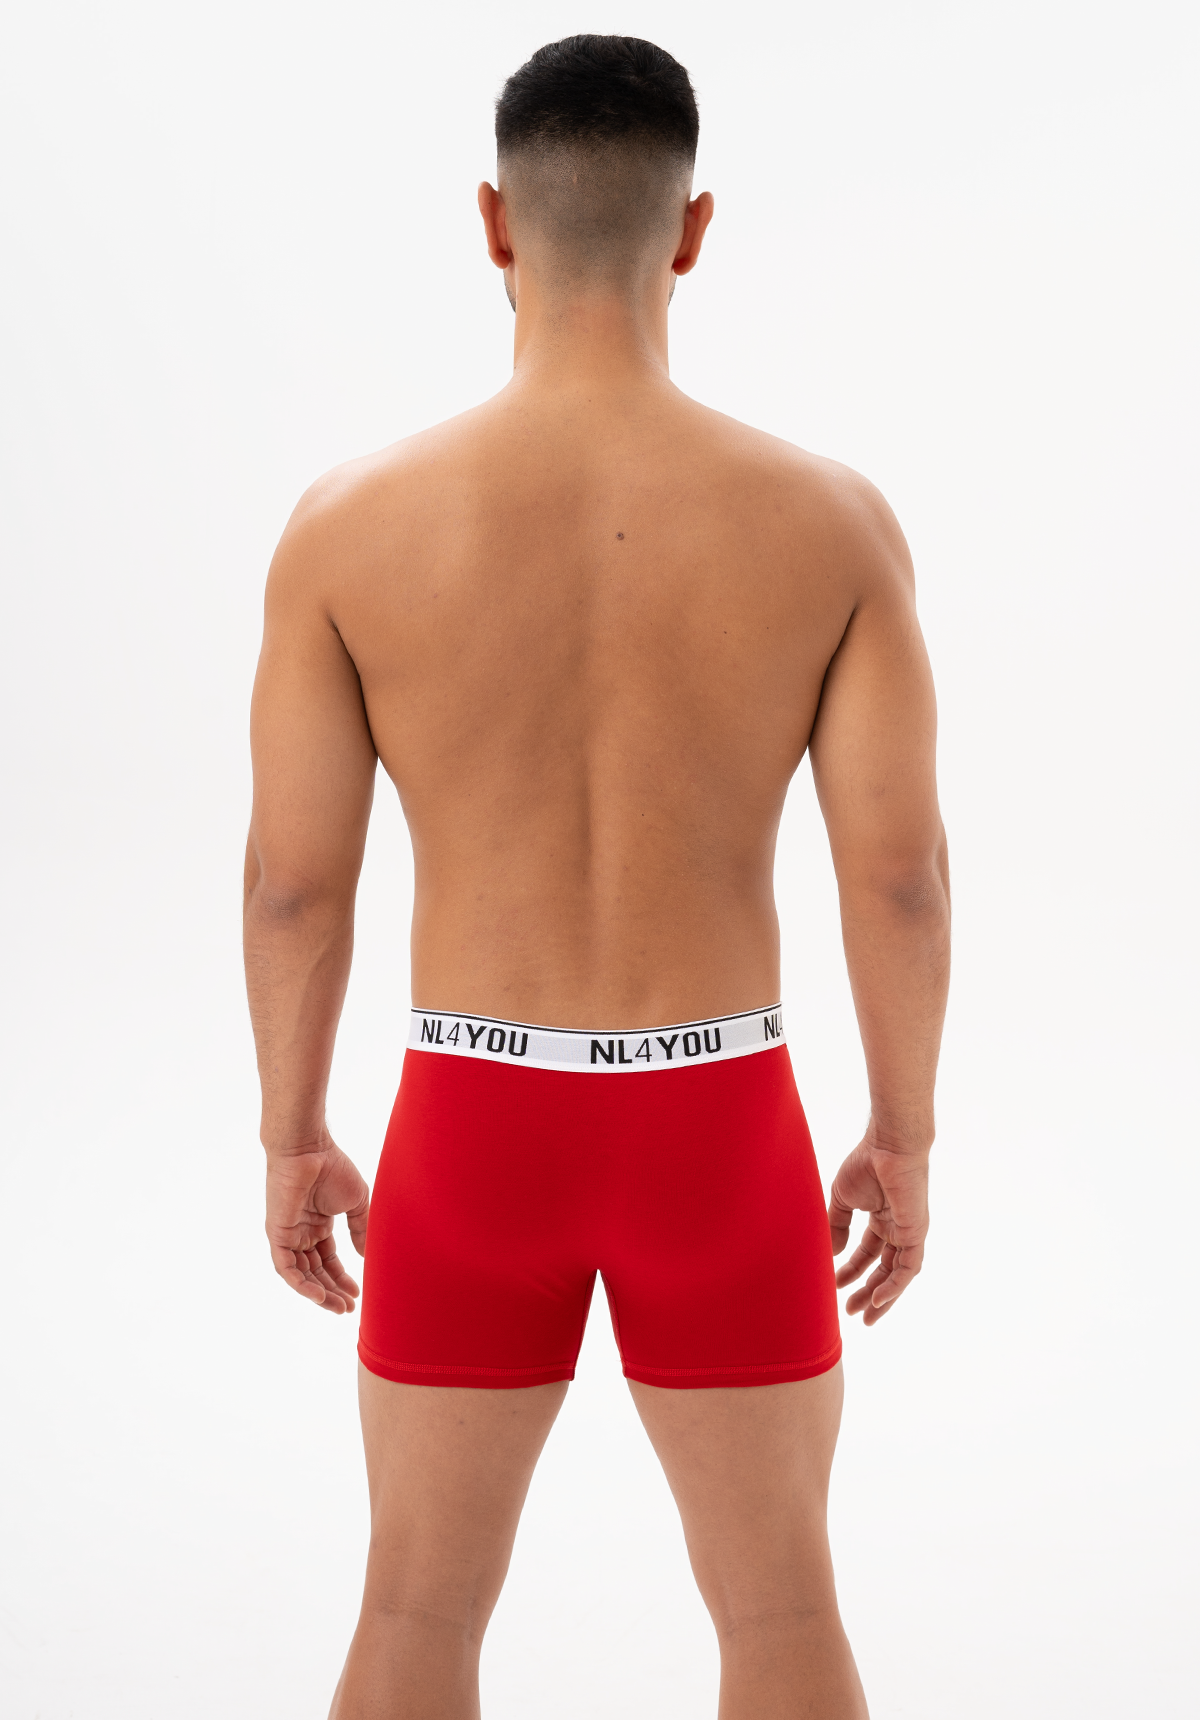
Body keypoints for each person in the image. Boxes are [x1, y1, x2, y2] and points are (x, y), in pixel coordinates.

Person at [243, 33, 949, 1720]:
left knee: (414, 1614)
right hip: (720, 1120)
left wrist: (292, 1133)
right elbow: (899, 877)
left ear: (494, 222)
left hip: (473, 1119)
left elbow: (293, 888)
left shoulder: (349, 527)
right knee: (783, 1613)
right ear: (692, 232)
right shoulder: (830, 524)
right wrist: (903, 1135)